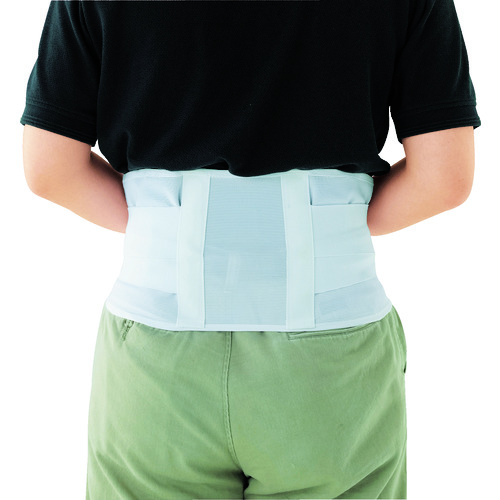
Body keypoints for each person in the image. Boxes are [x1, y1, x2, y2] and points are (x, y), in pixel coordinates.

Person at [20, 1, 481, 499]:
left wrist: (168, 228)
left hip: (157, 358)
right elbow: (443, 177)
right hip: (331, 362)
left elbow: (50, 167)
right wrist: (329, 224)